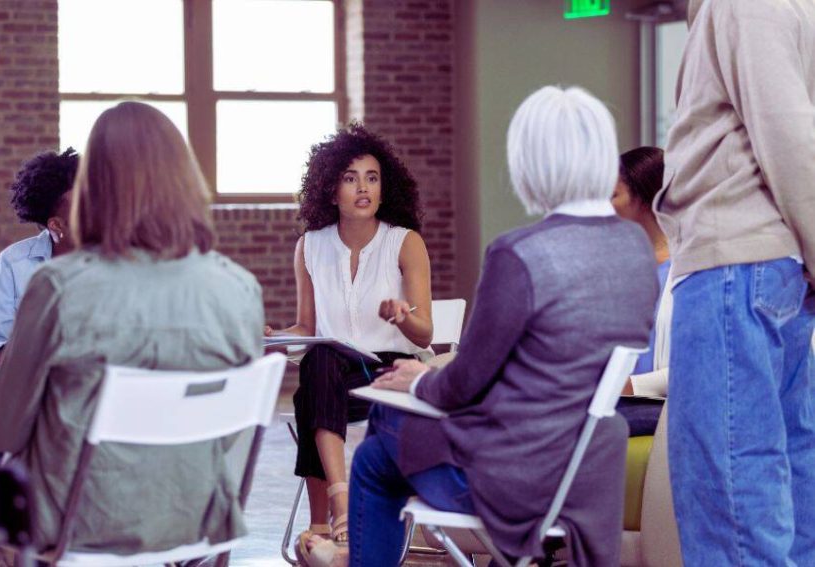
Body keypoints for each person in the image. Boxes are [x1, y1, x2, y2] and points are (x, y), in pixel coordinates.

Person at [308, 86, 658, 567]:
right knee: (391, 430)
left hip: (512, 481)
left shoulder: (519, 254)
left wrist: (423, 378)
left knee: (377, 446)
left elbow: (465, 384)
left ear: (527, 163)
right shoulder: (634, 250)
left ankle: (356, 559)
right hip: (584, 474)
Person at [0, 101, 265, 553]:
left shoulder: (59, 287)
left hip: (76, 521)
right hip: (193, 517)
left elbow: (3, 432)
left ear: (95, 187)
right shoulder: (238, 288)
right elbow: (228, 435)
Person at [658, 0, 815, 564]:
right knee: (785, 479)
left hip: (735, 269)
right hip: (774, 269)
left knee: (729, 487)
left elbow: (793, 141)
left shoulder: (742, 4)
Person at [266, 123, 433, 565]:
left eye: (372, 177)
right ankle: (342, 510)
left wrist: (403, 314)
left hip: (390, 370)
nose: (363, 187)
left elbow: (426, 334)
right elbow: (307, 326)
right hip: (333, 375)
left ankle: (324, 521)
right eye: (350, 177)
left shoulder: (405, 242)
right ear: (331, 190)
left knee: (311, 389)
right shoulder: (310, 246)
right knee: (319, 361)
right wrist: (276, 337)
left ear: (384, 188)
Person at [0, 148, 78, 459]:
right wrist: (16, 358)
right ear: (57, 225)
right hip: (31, 379)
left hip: (92, 375)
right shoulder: (14, 263)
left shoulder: (120, 257)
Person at [611, 147, 671, 436]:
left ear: (645, 200)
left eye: (613, 196)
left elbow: (704, 367)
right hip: (614, 401)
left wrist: (634, 385)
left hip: (660, 406)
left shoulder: (691, 274)